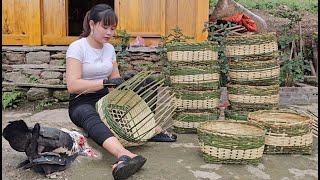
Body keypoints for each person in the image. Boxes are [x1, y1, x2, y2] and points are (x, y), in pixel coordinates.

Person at [65, 4, 176, 179]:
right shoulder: (78, 47)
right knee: (89, 114)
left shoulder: (109, 48)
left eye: (112, 28)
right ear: (92, 24)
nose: (109, 32)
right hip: (82, 102)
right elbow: (72, 85)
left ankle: (146, 130)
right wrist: (105, 82)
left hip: (107, 100)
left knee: (147, 83)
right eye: (105, 27)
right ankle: (124, 155)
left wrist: (124, 81)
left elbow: (114, 83)